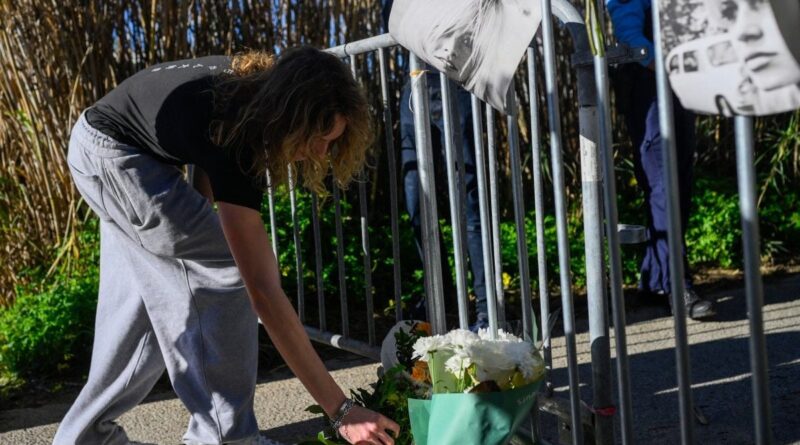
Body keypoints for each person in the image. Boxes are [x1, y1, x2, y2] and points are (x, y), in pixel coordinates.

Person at [53, 47, 400, 445]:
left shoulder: (245, 90)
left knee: (141, 302)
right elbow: (263, 293)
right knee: (227, 272)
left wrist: (198, 208)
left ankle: (84, 438)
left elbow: (198, 146)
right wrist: (341, 412)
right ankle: (226, 437)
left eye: (332, 139)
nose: (321, 152)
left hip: (98, 146)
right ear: (289, 115)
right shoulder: (239, 136)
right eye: (318, 137)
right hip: (117, 160)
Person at [382, 0, 489, 332]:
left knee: (468, 196)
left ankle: (487, 310)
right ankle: (439, 297)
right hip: (414, 79)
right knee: (417, 200)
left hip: (456, 74)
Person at [607, 0, 716, 319]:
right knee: (664, 185)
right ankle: (677, 285)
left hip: (676, 83)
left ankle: (654, 281)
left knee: (679, 183)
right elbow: (630, 36)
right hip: (647, 85)